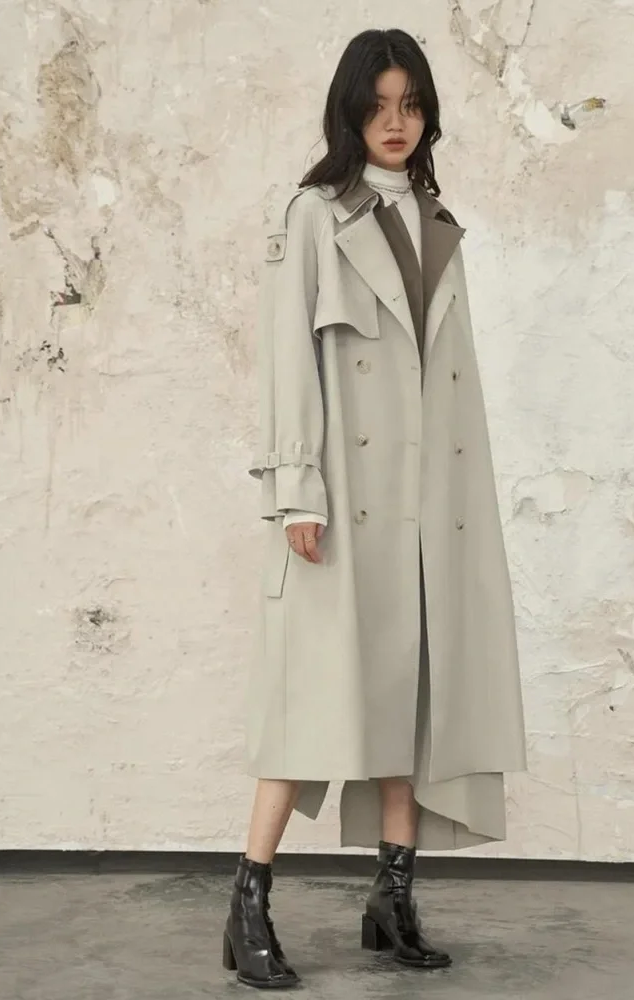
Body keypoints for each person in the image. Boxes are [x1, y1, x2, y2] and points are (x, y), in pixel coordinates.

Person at [224, 27, 528, 990]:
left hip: (427, 511)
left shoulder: (439, 223)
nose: (396, 123)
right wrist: (295, 492)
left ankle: (391, 900)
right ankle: (247, 907)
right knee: (304, 706)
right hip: (344, 503)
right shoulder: (315, 214)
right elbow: (288, 359)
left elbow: (453, 387)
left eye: (411, 105)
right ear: (350, 114)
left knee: (412, 700)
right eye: (378, 106)